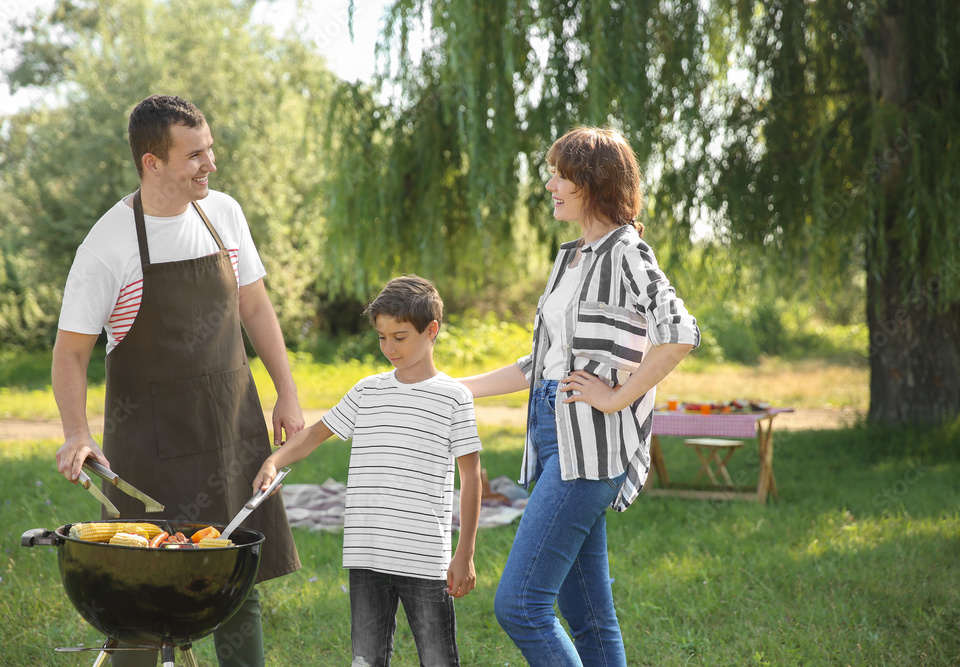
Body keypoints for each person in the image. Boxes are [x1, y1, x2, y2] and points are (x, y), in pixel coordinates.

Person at [52, 94, 303, 666]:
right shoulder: (108, 244)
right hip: (150, 447)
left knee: (237, 574)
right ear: (152, 162)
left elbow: (256, 308)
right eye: (194, 155)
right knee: (140, 585)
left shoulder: (225, 214)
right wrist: (76, 432)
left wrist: (287, 392)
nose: (209, 164)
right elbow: (70, 353)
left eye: (209, 148)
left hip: (232, 424)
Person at [459, 126, 701, 666]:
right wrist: (456, 388)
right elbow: (540, 362)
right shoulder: (571, 257)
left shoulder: (626, 252)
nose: (549, 185)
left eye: (561, 175)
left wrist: (618, 398)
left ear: (592, 183)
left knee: (520, 604)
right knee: (589, 617)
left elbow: (680, 332)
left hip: (589, 445)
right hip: (551, 432)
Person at [254, 275, 482, 667]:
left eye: (399, 336)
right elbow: (314, 435)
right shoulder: (366, 391)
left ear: (431, 331)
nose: (389, 348)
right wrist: (274, 461)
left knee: (438, 658)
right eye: (381, 338)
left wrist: (465, 553)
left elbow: (472, 478)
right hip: (367, 554)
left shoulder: (453, 397)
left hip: (424, 558)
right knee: (365, 659)